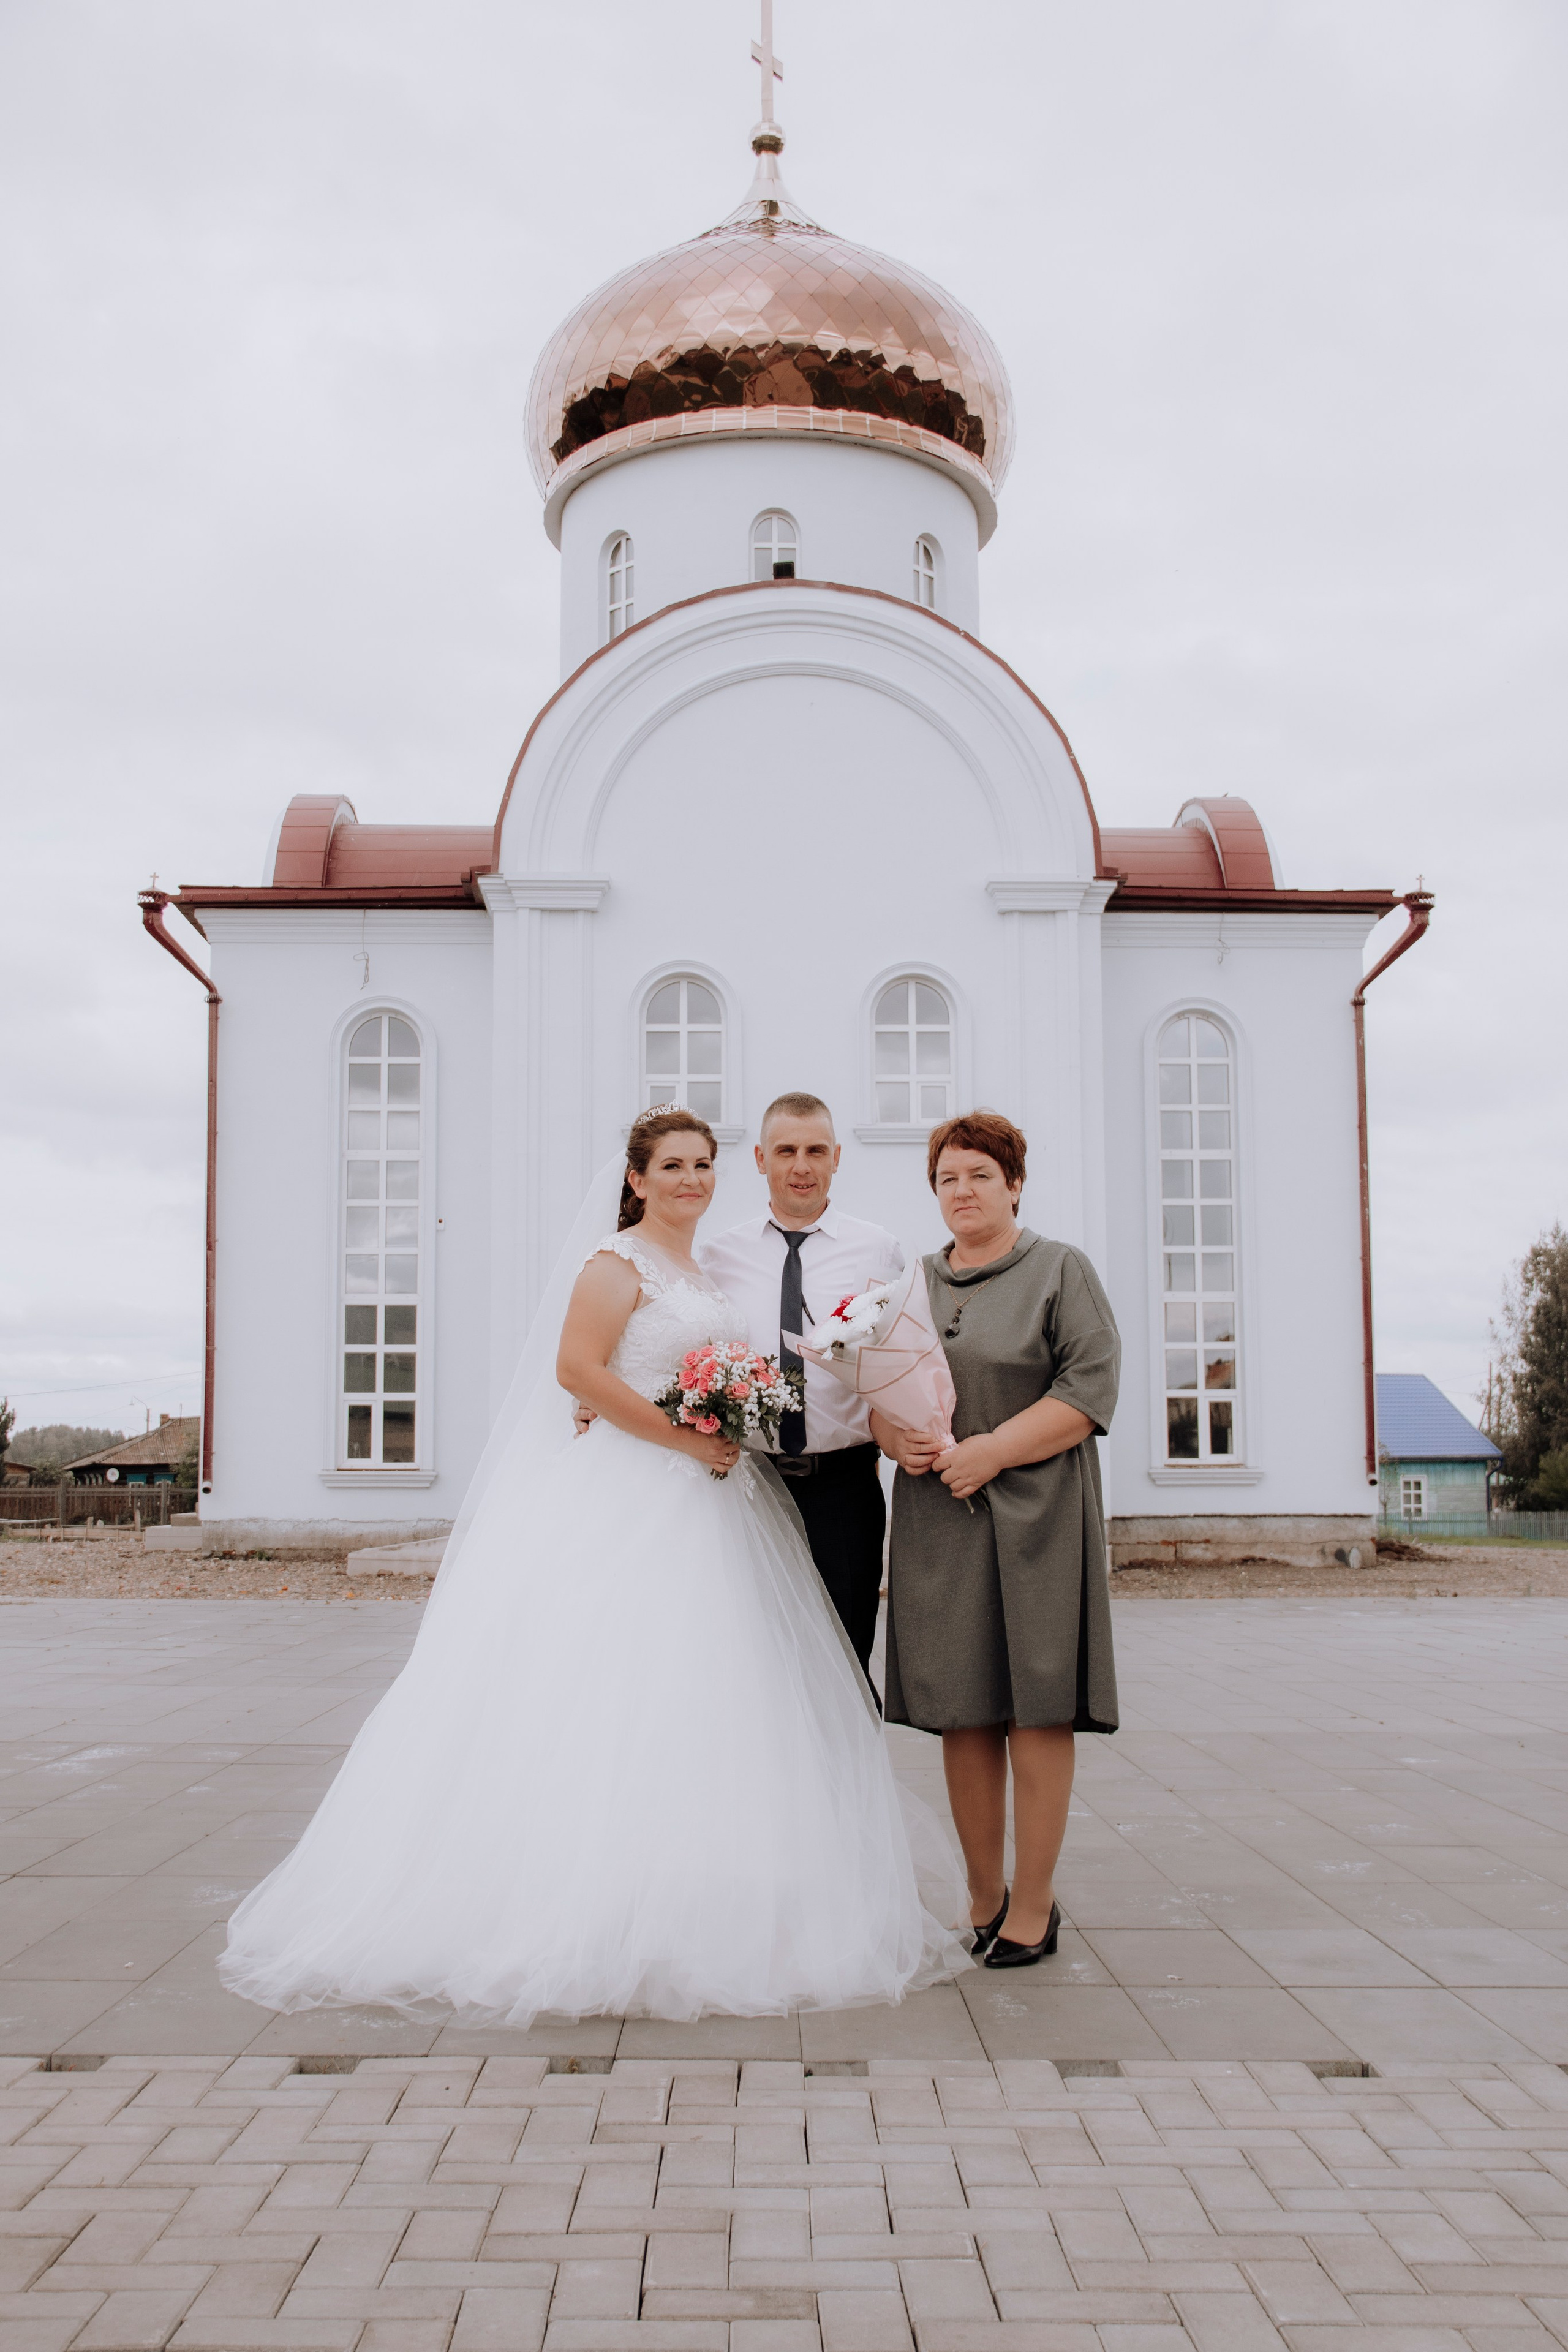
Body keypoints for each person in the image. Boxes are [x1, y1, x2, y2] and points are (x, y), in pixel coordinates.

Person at [220, 1109, 969, 2024]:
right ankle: (584, 1904)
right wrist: (682, 1439)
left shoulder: (705, 1265)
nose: (692, 1179)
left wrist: (716, 1428)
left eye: (702, 1165)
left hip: (720, 1503)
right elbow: (579, 1371)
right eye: (673, 1167)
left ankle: (695, 1894)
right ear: (638, 1178)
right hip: (637, 1496)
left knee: (709, 1703)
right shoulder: (617, 1263)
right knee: (607, 1695)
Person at [872, 1111, 1120, 1971]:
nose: (963, 1191)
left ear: (1014, 1184)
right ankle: (984, 1895)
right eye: (948, 1178)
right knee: (963, 1712)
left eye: (980, 1174)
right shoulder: (913, 1284)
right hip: (940, 1519)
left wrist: (991, 1451)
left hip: (1039, 1516)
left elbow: (1089, 1389)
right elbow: (881, 1386)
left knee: (1035, 1708)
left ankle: (1037, 1904)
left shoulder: (1060, 1270)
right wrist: (888, 1434)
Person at [699, 1092, 903, 1683]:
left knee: (845, 1667)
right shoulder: (718, 1257)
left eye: (816, 1150)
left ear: (837, 1157)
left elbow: (904, 1361)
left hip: (844, 1488)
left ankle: (852, 1777)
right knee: (757, 1672)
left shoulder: (880, 1251)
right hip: (748, 1487)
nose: (801, 1166)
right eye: (786, 1151)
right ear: (761, 1158)